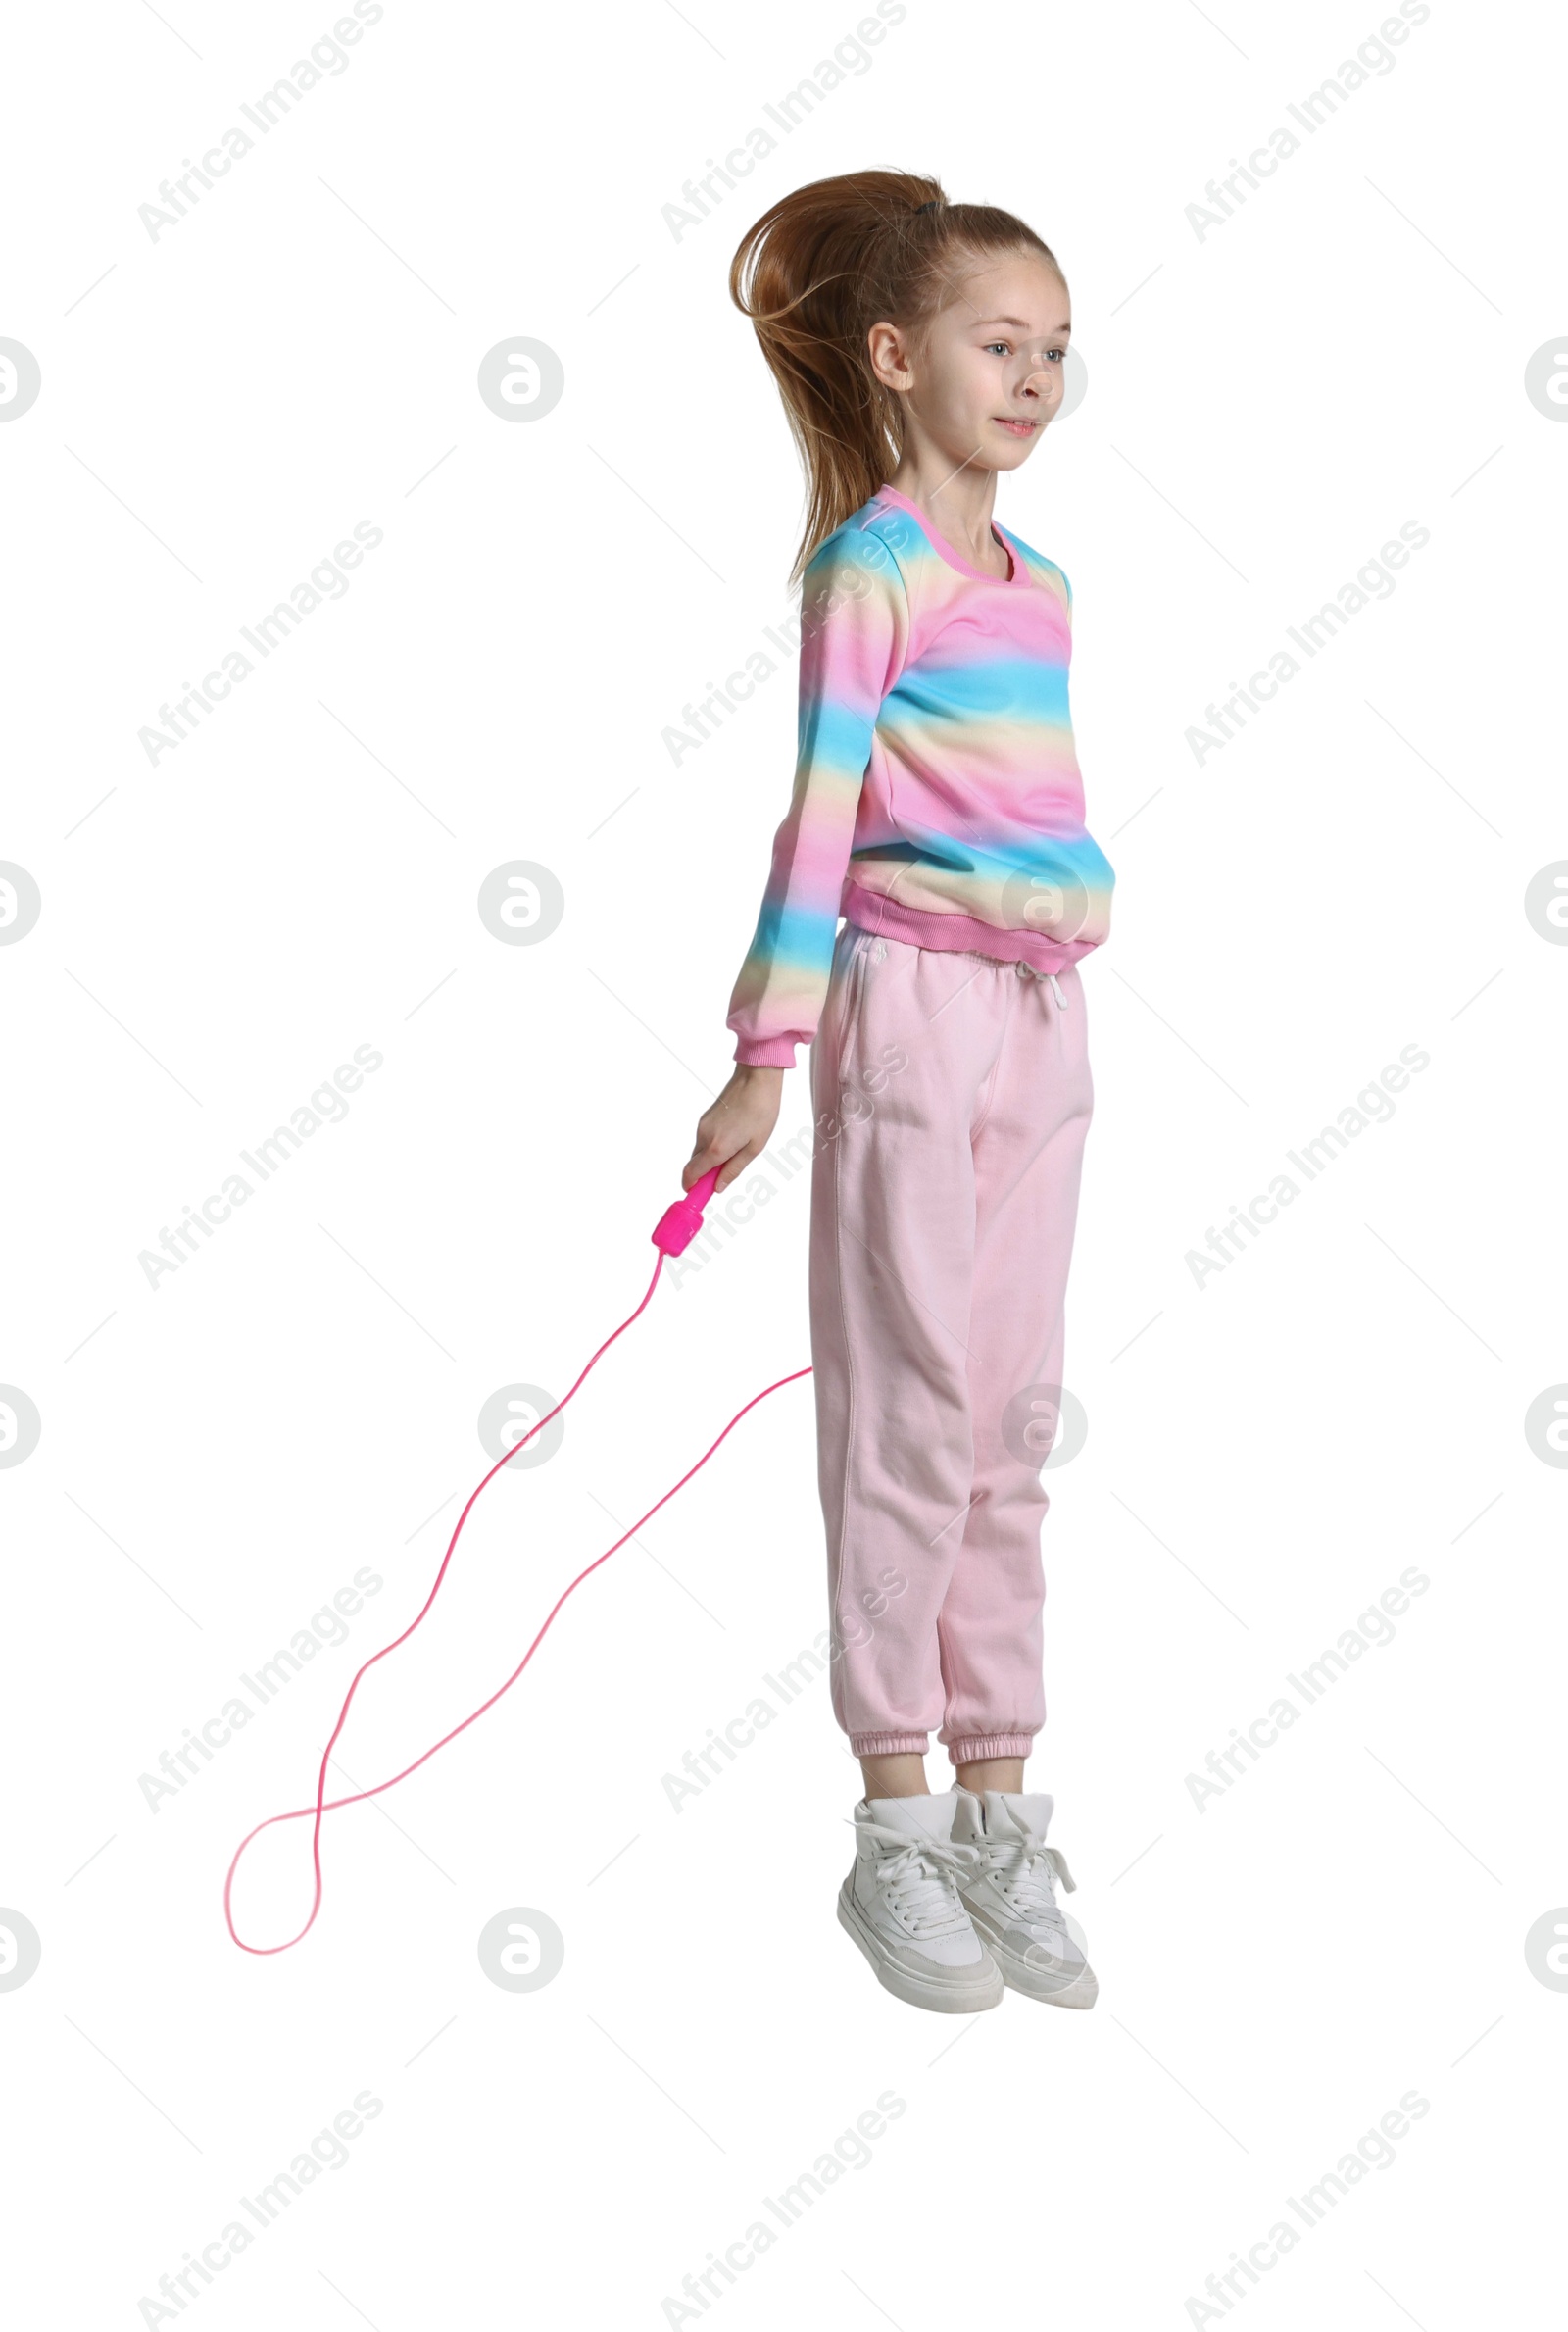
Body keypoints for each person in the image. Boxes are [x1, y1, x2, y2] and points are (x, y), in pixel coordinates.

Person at [684, 170, 1115, 2016]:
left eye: (1056, 353)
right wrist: (763, 1058)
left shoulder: (1048, 586)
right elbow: (821, 814)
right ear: (893, 353)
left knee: (1011, 1409)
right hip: (907, 1013)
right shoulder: (872, 570)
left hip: (1042, 1020)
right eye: (995, 344)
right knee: (911, 1402)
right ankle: (895, 1826)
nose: (1032, 378)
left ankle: (1002, 1801)